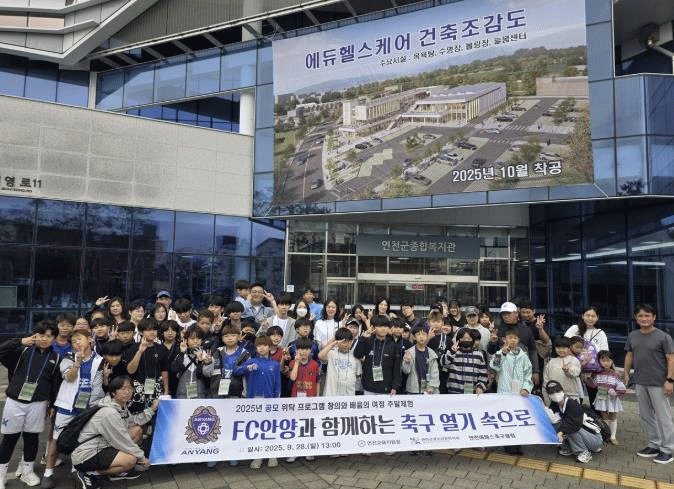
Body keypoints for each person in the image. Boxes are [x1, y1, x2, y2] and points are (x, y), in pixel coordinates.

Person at [0, 322, 60, 488]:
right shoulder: (22, 351)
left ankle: (27, 471)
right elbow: (1, 351)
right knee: (9, 438)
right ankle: (1, 474)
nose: (44, 339)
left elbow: (55, 384)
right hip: (15, 402)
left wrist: (53, 405)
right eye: (41, 335)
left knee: (32, 438)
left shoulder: (55, 358)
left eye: (49, 336)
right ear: (34, 335)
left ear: (54, 339)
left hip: (38, 404)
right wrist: (19, 341)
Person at [43, 329, 104, 489]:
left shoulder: (99, 360)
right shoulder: (68, 358)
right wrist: (77, 363)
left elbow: (98, 387)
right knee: (56, 439)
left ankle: (79, 470)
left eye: (79, 339)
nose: (77, 343)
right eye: (74, 341)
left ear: (90, 340)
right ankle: (48, 473)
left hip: (87, 408)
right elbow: (69, 377)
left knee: (83, 440)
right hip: (67, 405)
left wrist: (94, 407)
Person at [70, 375, 156, 489]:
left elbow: (134, 421)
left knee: (136, 430)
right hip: (86, 454)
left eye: (129, 388)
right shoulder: (109, 412)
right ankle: (88, 472)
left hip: (103, 445)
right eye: (123, 388)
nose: (127, 392)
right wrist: (142, 457)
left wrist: (151, 409)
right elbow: (121, 441)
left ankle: (115, 472)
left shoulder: (120, 406)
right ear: (113, 392)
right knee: (130, 460)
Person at [624, 303, 674, 464]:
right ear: (636, 318)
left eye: (647, 316)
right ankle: (654, 444)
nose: (644, 319)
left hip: (659, 383)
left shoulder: (663, 337)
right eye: (640, 316)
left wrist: (670, 381)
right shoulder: (633, 335)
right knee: (646, 416)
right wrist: (626, 374)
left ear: (654, 318)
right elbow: (629, 355)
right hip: (640, 382)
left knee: (663, 417)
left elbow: (671, 359)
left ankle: (668, 449)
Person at [233, 336, 281, 469]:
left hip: (270, 400)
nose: (261, 348)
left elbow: (278, 385)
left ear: (270, 347)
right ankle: (258, 456)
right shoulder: (251, 361)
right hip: (254, 399)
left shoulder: (275, 364)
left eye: (264, 345)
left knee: (271, 428)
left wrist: (276, 401)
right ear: (256, 348)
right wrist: (247, 368)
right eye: (259, 346)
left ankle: (272, 455)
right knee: (256, 428)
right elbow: (236, 370)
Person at [490, 328, 533, 456]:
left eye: (515, 338)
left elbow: (528, 374)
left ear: (518, 340)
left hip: (519, 393)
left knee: (517, 418)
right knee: (505, 418)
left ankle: (517, 444)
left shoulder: (523, 356)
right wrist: (503, 353)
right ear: (504, 339)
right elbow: (494, 366)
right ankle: (508, 444)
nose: (513, 340)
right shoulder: (500, 353)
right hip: (504, 392)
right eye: (510, 338)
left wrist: (526, 388)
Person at [546, 380, 604, 464]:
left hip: (594, 439)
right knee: (554, 423)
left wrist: (560, 432)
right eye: (551, 393)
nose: (555, 394)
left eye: (557, 391)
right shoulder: (554, 405)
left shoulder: (572, 404)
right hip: (584, 437)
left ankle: (583, 452)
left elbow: (573, 424)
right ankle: (568, 448)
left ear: (562, 391)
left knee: (570, 428)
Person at [487, 301, 540, 388]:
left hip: (521, 374)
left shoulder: (526, 329)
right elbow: (492, 353)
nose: (506, 316)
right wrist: (492, 342)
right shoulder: (497, 330)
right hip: (503, 376)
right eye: (503, 314)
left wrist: (535, 371)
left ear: (516, 313)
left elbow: (532, 351)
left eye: (508, 313)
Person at [565, 306, 609, 407]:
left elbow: (605, 353)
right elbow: (565, 346)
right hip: (575, 371)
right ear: (582, 316)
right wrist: (579, 367)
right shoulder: (574, 329)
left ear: (597, 318)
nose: (590, 318)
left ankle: (597, 417)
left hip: (594, 373)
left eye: (593, 316)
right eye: (587, 315)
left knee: (597, 403)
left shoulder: (600, 333)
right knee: (576, 401)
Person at [286, 338, 320, 463]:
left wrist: (317, 397)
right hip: (296, 400)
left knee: (309, 425)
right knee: (296, 425)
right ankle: (294, 452)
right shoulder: (292, 363)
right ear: (296, 350)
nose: (303, 352)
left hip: (310, 399)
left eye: (306, 349)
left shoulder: (315, 364)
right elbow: (292, 377)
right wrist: (296, 362)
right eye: (301, 349)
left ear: (310, 351)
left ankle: (309, 451)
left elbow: (317, 382)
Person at [125, 318, 168, 414]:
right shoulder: (133, 348)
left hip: (156, 387)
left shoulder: (161, 348)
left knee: (156, 415)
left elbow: (164, 371)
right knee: (137, 416)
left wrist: (166, 391)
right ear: (141, 332)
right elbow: (130, 370)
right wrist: (140, 351)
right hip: (137, 388)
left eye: (154, 329)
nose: (152, 332)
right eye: (148, 330)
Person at [353, 315, 401, 396]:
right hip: (368, 386)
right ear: (373, 327)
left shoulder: (393, 344)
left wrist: (395, 386)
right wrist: (363, 338)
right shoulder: (368, 340)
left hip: (386, 387)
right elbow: (357, 354)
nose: (383, 329)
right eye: (380, 326)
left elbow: (397, 367)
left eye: (385, 326)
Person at [592, 350, 626, 445]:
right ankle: (606, 434)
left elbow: (622, 387)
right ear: (599, 361)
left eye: (608, 360)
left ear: (612, 361)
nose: (606, 363)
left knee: (613, 416)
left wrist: (616, 392)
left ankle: (613, 436)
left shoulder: (615, 374)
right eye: (603, 360)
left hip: (612, 399)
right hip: (601, 398)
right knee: (604, 417)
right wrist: (586, 379)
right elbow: (593, 384)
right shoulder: (597, 373)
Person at [441, 328, 489, 395]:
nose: (466, 341)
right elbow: (443, 363)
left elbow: (483, 374)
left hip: (472, 393)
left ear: (473, 340)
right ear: (458, 340)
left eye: (469, 339)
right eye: (463, 339)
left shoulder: (479, 355)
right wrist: (452, 352)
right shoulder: (453, 353)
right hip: (454, 392)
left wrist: (480, 387)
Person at [171, 326, 211, 399]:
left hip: (200, 393)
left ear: (202, 340)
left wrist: (200, 361)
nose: (195, 341)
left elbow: (205, 376)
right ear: (186, 340)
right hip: (182, 393)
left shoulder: (206, 355)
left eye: (198, 339)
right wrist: (182, 353)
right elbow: (174, 369)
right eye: (192, 339)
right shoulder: (182, 354)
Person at [318, 328, 361, 397]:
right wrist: (333, 344)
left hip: (349, 395)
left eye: (349, 342)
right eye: (344, 342)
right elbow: (320, 356)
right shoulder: (331, 353)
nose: (346, 345)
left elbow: (358, 374)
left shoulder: (355, 356)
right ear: (337, 341)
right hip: (331, 394)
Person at [402, 326, 440, 394]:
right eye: (418, 334)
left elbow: (435, 372)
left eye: (424, 334)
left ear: (427, 336)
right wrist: (406, 362)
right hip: (413, 390)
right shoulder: (409, 352)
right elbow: (406, 371)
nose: (421, 337)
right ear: (414, 337)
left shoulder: (432, 353)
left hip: (429, 391)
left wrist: (431, 386)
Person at [543, 336, 582, 402]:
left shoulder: (574, 360)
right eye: (558, 348)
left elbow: (576, 372)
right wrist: (547, 394)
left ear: (569, 348)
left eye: (564, 348)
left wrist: (568, 370)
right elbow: (546, 379)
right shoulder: (551, 362)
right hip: (554, 396)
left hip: (571, 395)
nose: (561, 350)